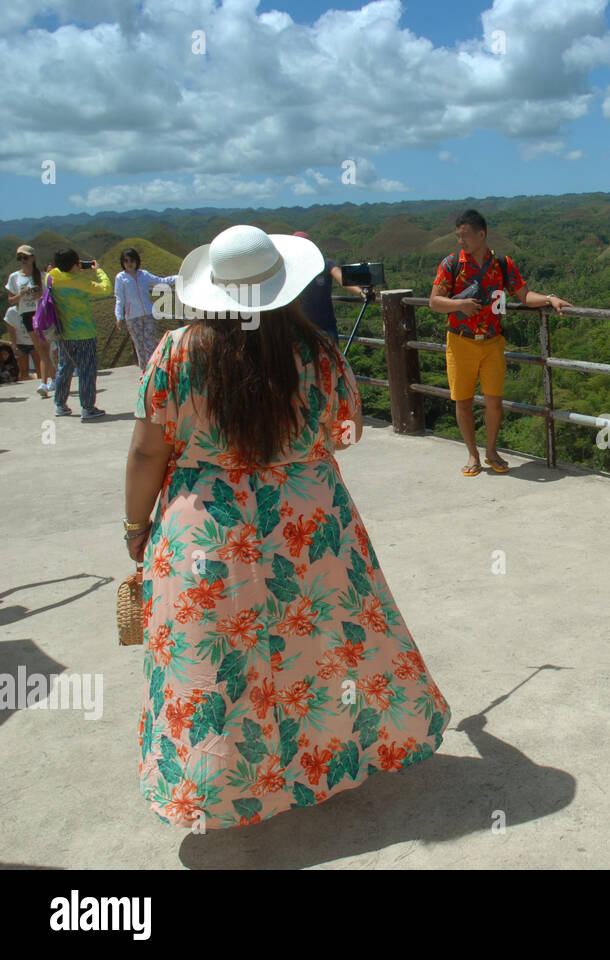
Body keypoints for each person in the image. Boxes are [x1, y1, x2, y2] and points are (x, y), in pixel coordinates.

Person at [124, 224, 451, 829]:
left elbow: (148, 452)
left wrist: (135, 526)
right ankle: (323, 763)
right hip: (309, 517)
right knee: (325, 645)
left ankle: (221, 789)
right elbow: (344, 433)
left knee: (217, 664)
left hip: (205, 529)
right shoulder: (319, 353)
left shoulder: (175, 353)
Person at [428, 209, 571, 477]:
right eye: (458, 237)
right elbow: (434, 302)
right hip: (461, 342)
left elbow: (524, 296)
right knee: (463, 401)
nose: (461, 241)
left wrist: (550, 298)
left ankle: (491, 451)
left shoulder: (502, 264)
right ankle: (472, 454)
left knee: (494, 402)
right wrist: (459, 304)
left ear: (481, 234)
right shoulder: (451, 264)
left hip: (493, 342)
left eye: (465, 236)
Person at [47, 249, 110, 421]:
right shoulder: (80, 282)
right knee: (86, 371)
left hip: (64, 334)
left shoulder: (52, 278)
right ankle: (88, 408)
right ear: (75, 265)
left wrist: (71, 268)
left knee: (64, 368)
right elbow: (106, 288)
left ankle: (60, 404)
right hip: (85, 333)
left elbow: (53, 272)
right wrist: (98, 271)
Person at [291, 230, 365, 344]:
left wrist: (361, 292)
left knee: (332, 360)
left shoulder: (325, 263)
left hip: (325, 325)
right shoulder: (291, 268)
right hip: (301, 327)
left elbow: (343, 278)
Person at [114, 247, 178, 369]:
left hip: (148, 314)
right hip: (132, 317)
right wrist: (119, 316)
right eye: (126, 261)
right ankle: (145, 371)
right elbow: (119, 298)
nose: (129, 263)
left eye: (132, 260)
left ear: (137, 261)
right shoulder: (120, 278)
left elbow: (160, 281)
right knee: (139, 346)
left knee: (151, 344)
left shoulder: (144, 274)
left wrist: (177, 278)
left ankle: (153, 370)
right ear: (122, 263)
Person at [7, 245, 53, 394]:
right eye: (19, 258)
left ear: (33, 258)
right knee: (40, 349)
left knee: (44, 348)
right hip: (26, 314)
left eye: (25, 257)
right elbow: (11, 301)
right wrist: (21, 294)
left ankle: (45, 382)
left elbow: (51, 296)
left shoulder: (42, 275)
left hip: (41, 312)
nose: (22, 261)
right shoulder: (14, 277)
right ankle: (53, 379)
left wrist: (39, 293)